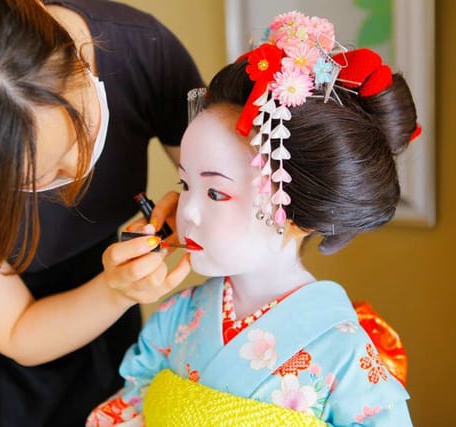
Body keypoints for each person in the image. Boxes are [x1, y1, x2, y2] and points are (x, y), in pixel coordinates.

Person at [0, 0, 201, 425]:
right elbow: (17, 329)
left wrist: (196, 198)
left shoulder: (140, 49)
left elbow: (223, 169)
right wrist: (116, 291)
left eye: (78, 135)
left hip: (98, 309)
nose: (79, 168)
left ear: (79, 62)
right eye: (39, 179)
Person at [87, 11, 418, 426]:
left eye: (216, 192)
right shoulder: (177, 317)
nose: (186, 209)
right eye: (186, 184)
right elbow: (131, 406)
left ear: (298, 213)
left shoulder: (344, 350)